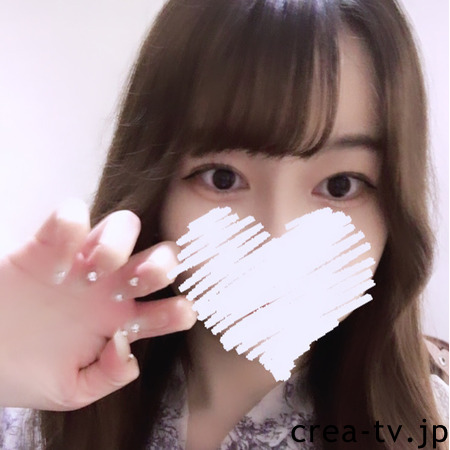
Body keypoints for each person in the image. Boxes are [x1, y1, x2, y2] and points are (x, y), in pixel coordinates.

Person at [0, 0, 448, 449]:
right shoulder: (31, 401)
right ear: (155, 189)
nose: (276, 238)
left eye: (340, 185)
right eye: (222, 178)